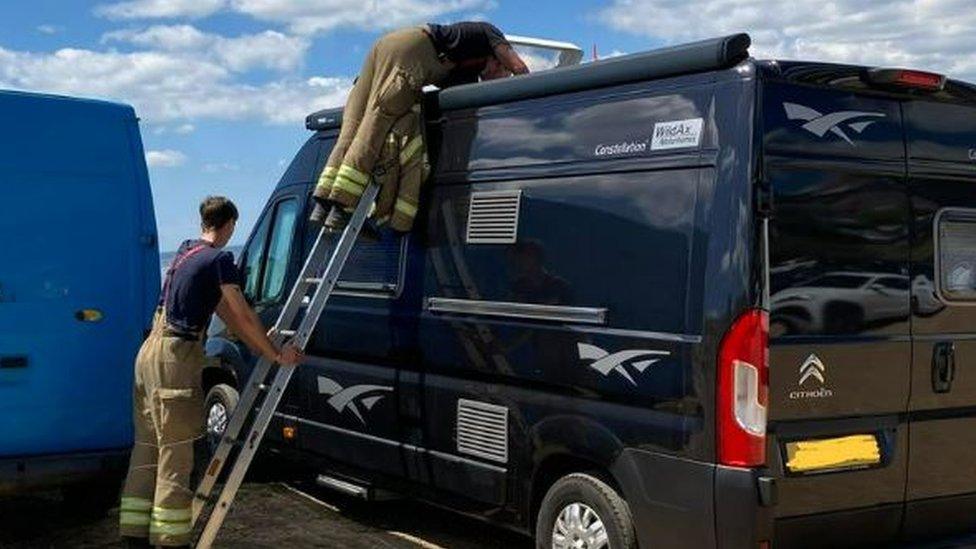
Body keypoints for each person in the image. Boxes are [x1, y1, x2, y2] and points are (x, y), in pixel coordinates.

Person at [119, 196, 303, 548]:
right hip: (176, 355)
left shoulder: (186, 253)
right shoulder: (220, 260)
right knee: (177, 451)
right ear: (230, 224)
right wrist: (277, 355)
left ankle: (133, 535)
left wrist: (261, 344)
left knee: (147, 448)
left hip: (147, 356)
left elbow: (226, 313)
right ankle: (170, 540)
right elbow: (242, 310)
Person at [310, 21, 530, 231]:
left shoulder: (462, 71)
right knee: (376, 124)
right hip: (411, 51)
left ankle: (323, 201)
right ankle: (342, 204)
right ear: (496, 59)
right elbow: (519, 68)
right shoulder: (489, 33)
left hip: (385, 46)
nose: (500, 77)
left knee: (353, 125)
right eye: (502, 72)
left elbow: (458, 114)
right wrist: (533, 105)